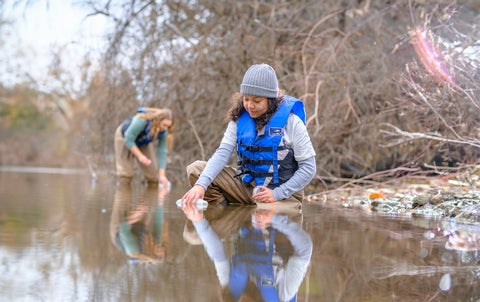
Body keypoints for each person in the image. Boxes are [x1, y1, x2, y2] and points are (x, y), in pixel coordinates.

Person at [182, 63, 316, 208]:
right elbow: (222, 154)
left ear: (271, 101)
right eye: (246, 99)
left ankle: (257, 211)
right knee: (196, 170)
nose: (250, 105)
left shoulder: (292, 122)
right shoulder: (239, 119)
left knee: (264, 212)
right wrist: (201, 186)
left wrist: (276, 194)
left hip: (283, 194)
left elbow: (309, 168)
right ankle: (225, 214)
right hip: (249, 188)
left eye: (257, 101)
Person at [180, 201, 312, 301]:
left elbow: (218, 255)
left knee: (192, 234)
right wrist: (274, 219)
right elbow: (305, 248)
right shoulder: (283, 294)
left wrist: (199, 221)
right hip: (279, 217)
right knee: (267, 202)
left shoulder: (231, 293)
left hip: (242, 215)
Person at [114, 107, 174, 188]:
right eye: (164, 125)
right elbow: (128, 138)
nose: (165, 128)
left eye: (168, 126)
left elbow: (162, 152)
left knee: (154, 176)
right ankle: (123, 198)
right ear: (158, 120)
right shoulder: (142, 120)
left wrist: (162, 175)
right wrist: (140, 156)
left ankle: (149, 198)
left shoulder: (164, 132)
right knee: (126, 175)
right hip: (124, 137)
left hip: (142, 142)